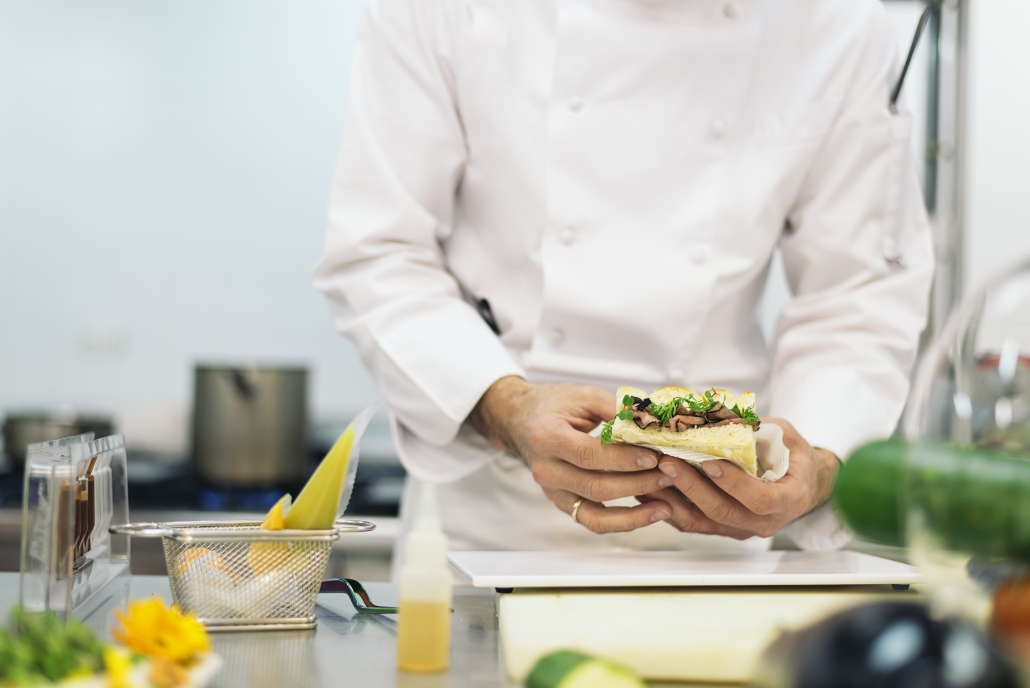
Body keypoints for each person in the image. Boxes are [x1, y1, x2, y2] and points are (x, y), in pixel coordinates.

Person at [313, 0, 934, 555]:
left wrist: (821, 461)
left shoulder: (838, 22)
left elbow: (858, 295)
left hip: (720, 535)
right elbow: (379, 254)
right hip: (492, 530)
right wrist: (507, 407)